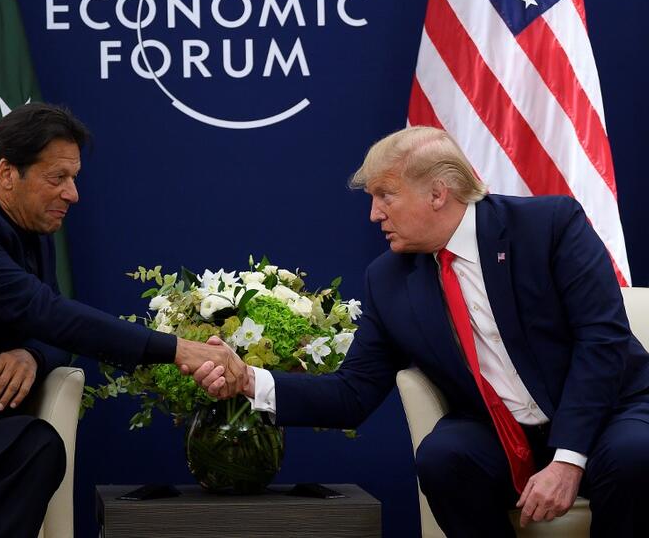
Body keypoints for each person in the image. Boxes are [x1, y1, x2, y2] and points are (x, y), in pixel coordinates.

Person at [193, 126, 649, 537]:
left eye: (385, 195)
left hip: (607, 412)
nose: (374, 214)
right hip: (497, 430)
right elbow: (352, 393)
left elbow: (601, 340)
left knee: (635, 454)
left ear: (437, 193)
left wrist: (568, 458)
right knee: (443, 457)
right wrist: (248, 380)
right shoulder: (388, 279)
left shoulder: (547, 226)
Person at [0, 103, 244, 537]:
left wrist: (32, 354)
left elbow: (52, 325)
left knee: (36, 445)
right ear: (7, 173)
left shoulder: (33, 227)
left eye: (74, 178)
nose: (72, 194)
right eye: (57, 178)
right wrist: (176, 349)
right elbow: (47, 312)